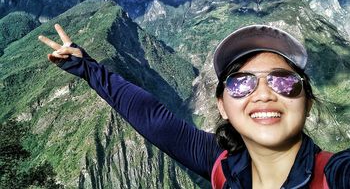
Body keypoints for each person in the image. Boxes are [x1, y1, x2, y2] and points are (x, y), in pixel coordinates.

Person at [39, 24, 349, 189]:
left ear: (307, 102)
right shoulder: (222, 166)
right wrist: (89, 69)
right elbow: (153, 119)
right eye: (241, 83)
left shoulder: (337, 176)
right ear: (223, 106)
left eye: (283, 81)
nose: (264, 93)